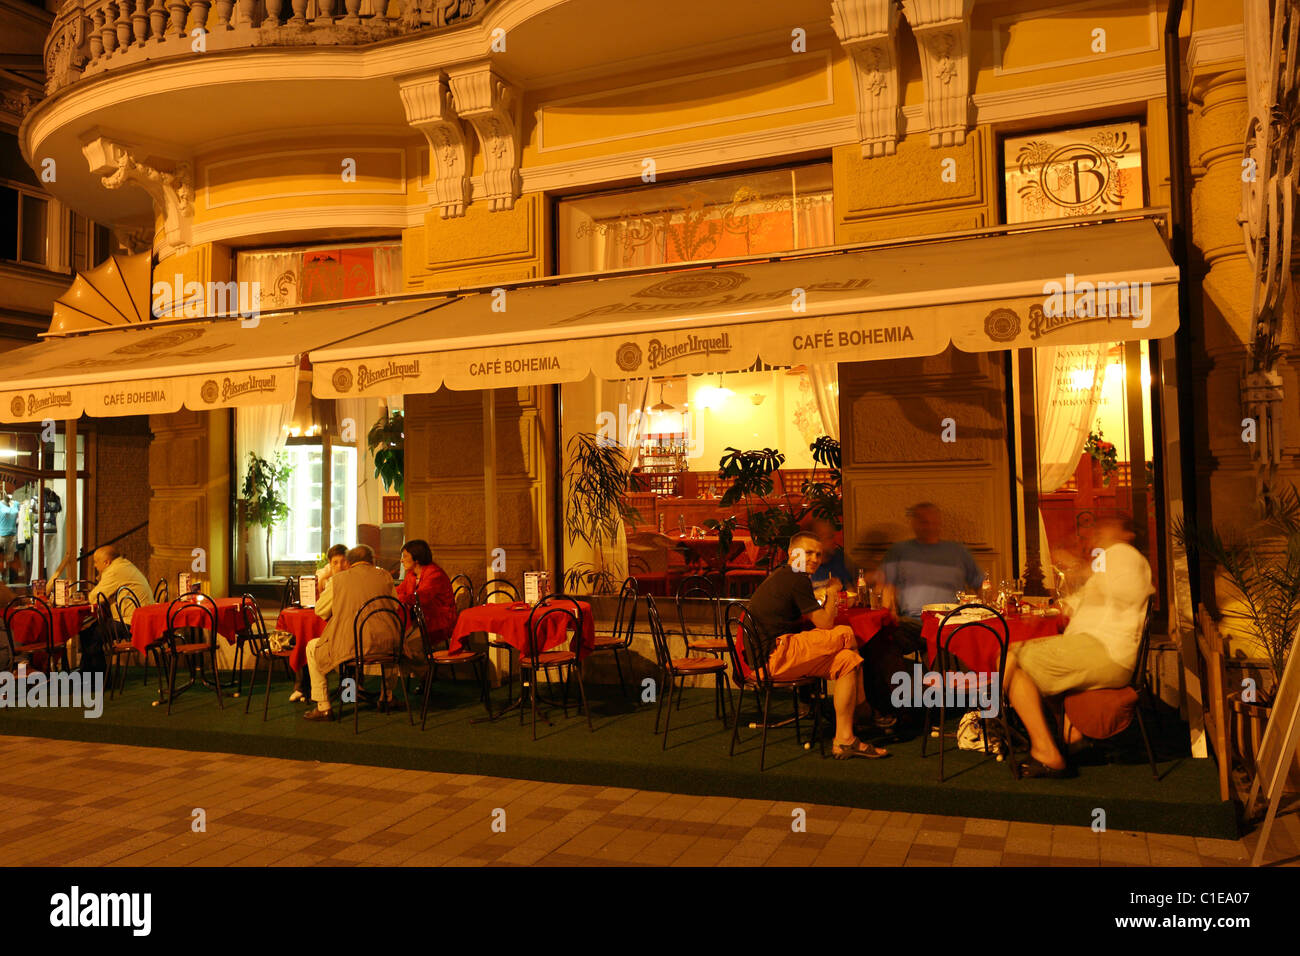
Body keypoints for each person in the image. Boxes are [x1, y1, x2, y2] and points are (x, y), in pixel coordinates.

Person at [1005, 515, 1153, 778]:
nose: (1097, 532)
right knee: (1021, 655)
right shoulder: (1112, 561)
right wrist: (1052, 608)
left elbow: (1124, 592)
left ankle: (1045, 750)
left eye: (1106, 526)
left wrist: (1077, 565)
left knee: (1012, 657)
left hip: (1104, 651)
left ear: (1126, 533)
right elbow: (1082, 598)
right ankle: (1071, 736)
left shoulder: (1124, 554)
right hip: (1097, 649)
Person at [746, 531, 888, 759]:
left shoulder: (787, 575)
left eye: (818, 554)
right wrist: (833, 590)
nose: (814, 558)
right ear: (792, 554)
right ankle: (863, 706)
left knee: (848, 661)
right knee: (846, 633)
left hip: (775, 653)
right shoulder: (795, 576)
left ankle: (844, 739)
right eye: (808, 552)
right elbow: (825, 623)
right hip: (773, 656)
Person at [303, 545, 401, 721]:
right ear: (372, 560)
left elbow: (320, 610)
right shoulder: (385, 576)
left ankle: (323, 706)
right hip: (385, 643)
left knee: (312, 647)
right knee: (391, 642)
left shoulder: (338, 580)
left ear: (349, 562)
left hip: (351, 645)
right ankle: (386, 697)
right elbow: (394, 605)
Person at [880, 502, 984, 653]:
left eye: (932, 522)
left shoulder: (957, 551)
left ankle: (937, 672)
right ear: (914, 524)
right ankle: (904, 676)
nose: (928, 527)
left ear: (939, 523)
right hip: (912, 622)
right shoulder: (899, 551)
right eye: (923, 522)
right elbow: (886, 586)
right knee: (884, 643)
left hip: (951, 622)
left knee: (966, 645)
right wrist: (889, 612)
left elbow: (980, 584)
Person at [289, 544, 350, 703]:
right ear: (330, 564)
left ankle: (335, 697)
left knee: (311, 644)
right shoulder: (330, 579)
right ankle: (303, 687)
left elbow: (320, 610)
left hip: (342, 637)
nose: (340, 566)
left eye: (343, 561)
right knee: (305, 639)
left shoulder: (344, 582)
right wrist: (323, 578)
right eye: (335, 563)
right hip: (349, 636)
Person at [394, 539, 455, 674]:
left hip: (438, 622)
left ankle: (426, 676)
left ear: (417, 558)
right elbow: (399, 591)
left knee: (408, 645)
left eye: (405, 556)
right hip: (421, 619)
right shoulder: (411, 575)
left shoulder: (435, 574)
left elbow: (420, 597)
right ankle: (419, 675)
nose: (401, 560)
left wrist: (397, 597)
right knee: (397, 642)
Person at [86, 545, 153, 623]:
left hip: (132, 622)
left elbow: (95, 598)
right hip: (143, 616)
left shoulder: (114, 571)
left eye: (96, 562)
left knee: (89, 633)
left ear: (106, 562)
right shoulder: (123, 564)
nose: (95, 565)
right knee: (95, 627)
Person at [808, 517, 853, 588]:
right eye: (828, 537)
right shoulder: (802, 565)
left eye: (832, 536)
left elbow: (851, 587)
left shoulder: (838, 557)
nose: (833, 541)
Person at [0, 493, 18, 583]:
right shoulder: (0, 505)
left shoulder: (16, 504)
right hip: (1, 535)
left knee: (9, 558)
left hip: (12, 535)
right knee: (1, 557)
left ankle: (7, 578)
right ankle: (1, 577)